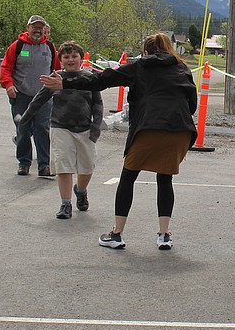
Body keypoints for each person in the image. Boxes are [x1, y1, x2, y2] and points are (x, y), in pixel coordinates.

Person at [43, 32, 196, 250]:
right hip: (180, 130)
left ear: (145, 51)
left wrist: (65, 83)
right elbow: (192, 105)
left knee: (128, 177)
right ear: (170, 49)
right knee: (165, 179)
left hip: (150, 127)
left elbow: (101, 79)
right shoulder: (182, 68)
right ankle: (164, 235)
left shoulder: (140, 67)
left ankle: (117, 234)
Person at [15, 40, 104, 220]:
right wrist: (23, 120)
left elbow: (98, 105)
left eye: (74, 56)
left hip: (85, 129)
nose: (70, 60)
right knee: (64, 166)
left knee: (86, 167)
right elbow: (38, 101)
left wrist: (96, 128)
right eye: (66, 57)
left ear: (81, 58)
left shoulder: (89, 78)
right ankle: (65, 204)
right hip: (60, 127)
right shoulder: (55, 79)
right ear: (61, 60)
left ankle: (80, 190)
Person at [0, 15, 56, 176]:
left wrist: (58, 88)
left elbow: (56, 70)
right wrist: (8, 85)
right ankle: (24, 163)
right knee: (22, 129)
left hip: (44, 96)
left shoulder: (50, 48)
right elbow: (5, 68)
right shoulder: (17, 46)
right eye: (34, 27)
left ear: (44, 29)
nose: (37, 30)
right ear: (28, 28)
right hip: (21, 95)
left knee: (42, 129)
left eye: (40, 27)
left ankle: (44, 165)